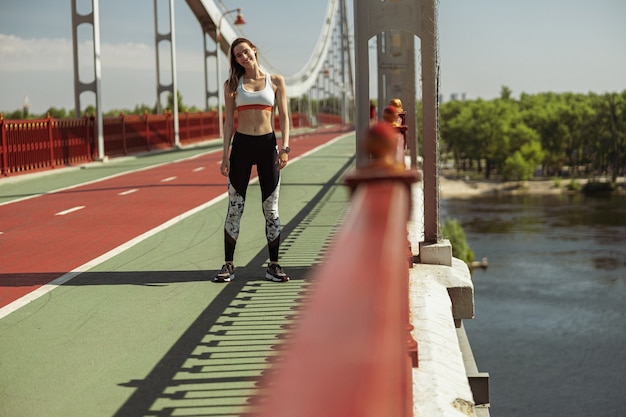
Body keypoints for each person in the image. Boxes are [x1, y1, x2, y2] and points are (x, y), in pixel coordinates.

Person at [214, 37, 291, 283]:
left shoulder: (276, 81)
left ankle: (274, 266)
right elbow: (228, 124)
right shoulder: (232, 85)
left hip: (267, 146)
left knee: (271, 209)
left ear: (254, 51)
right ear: (235, 60)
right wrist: (225, 155)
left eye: (245, 52)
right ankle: (228, 266)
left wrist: (285, 147)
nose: (243, 57)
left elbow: (285, 117)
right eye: (238, 55)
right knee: (235, 207)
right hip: (242, 148)